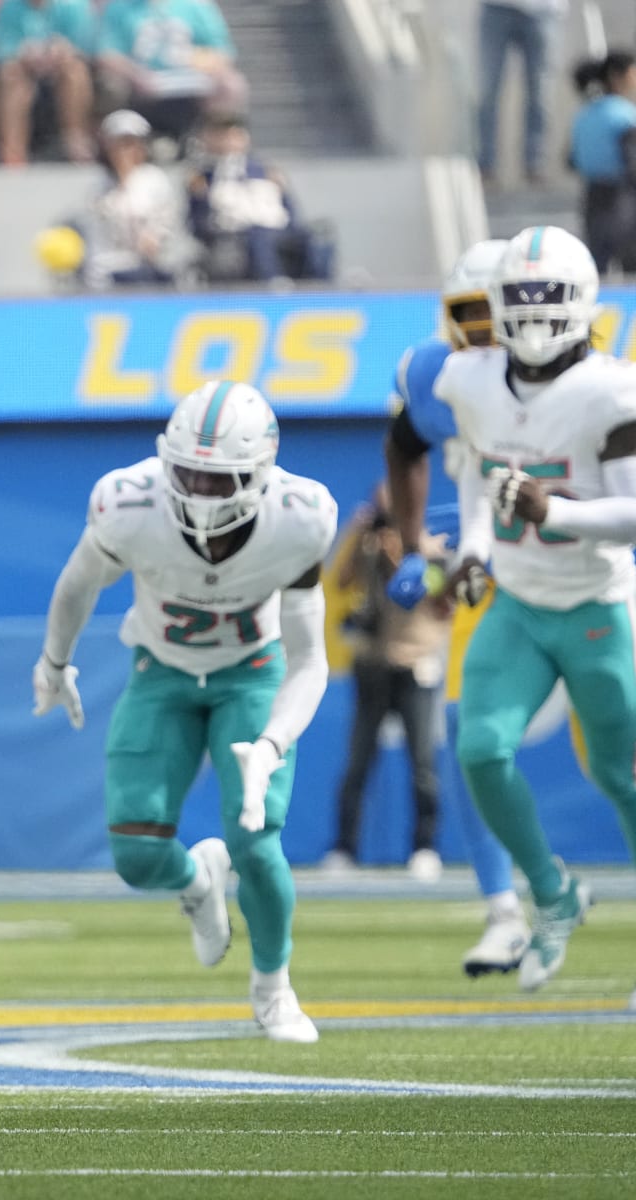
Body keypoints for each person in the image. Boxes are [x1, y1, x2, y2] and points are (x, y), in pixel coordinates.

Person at [34, 380, 335, 1043]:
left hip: (252, 675)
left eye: (217, 479)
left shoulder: (300, 518)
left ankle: (273, 991)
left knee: (257, 841)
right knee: (137, 857)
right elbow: (79, 582)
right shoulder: (129, 504)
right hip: (161, 672)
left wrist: (274, 744)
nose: (198, 495)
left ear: (259, 475)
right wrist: (54, 662)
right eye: (188, 475)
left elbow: (312, 659)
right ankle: (198, 880)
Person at [437, 225, 636, 1000]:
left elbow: (631, 513)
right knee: (481, 752)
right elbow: (477, 470)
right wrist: (475, 548)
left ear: (582, 302)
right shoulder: (470, 380)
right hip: (518, 600)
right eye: (517, 297)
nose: (530, 313)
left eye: (546, 297)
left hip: (595, 601)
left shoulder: (609, 391)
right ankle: (551, 895)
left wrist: (558, 512)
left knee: (621, 776)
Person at [381, 239, 536, 975]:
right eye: (469, 317)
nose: (485, 334)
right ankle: (507, 907)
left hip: (590, 572)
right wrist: (416, 548)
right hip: (496, 574)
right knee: (477, 746)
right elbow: (404, 442)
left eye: (496, 315)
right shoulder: (436, 375)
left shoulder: (592, 385)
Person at [326, 487, 449, 881]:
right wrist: (354, 534)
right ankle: (344, 848)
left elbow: (415, 592)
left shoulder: (431, 548)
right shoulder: (365, 544)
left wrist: (397, 552)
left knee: (422, 763)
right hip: (372, 664)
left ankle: (424, 847)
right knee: (357, 763)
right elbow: (340, 581)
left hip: (415, 665)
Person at [186, 110, 332, 284]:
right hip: (236, 235)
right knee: (259, 238)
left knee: (317, 240)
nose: (230, 140)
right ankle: (272, 288)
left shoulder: (267, 171)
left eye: (234, 134)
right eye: (222, 135)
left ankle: (321, 291)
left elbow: (290, 212)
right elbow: (198, 222)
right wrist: (201, 197)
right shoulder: (203, 177)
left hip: (278, 231)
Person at [95, 0, 246, 144]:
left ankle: (219, 148)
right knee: (111, 85)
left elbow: (223, 52)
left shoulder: (197, 5)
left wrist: (199, 63)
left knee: (231, 84)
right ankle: (115, 146)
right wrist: (135, 75)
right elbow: (106, 54)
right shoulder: (120, 6)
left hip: (189, 82)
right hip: (136, 82)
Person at [81, 109, 193, 288]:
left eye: (131, 144)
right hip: (108, 268)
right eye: (118, 144)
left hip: (148, 266)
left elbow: (166, 222)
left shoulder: (155, 180)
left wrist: (154, 237)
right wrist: (122, 181)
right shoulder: (97, 185)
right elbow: (100, 224)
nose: (124, 151)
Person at [0, 0, 97, 165]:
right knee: (10, 74)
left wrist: (64, 50)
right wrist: (23, 53)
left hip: (62, 68)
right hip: (25, 69)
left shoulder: (74, 6)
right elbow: (2, 50)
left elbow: (87, 48)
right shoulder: (9, 7)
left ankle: (75, 142)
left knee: (76, 72)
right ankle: (13, 150)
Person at [476, 1, 565, 189]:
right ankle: (485, 166)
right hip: (496, 7)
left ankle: (535, 165)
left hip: (542, 10)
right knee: (487, 91)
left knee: (540, 93)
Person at [568, 51, 636, 275]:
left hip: (592, 199)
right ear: (618, 76)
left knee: (598, 269)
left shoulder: (585, 114)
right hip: (623, 202)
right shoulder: (624, 115)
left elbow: (572, 160)